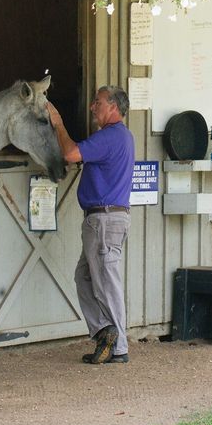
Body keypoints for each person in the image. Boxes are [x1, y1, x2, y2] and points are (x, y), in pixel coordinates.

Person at [47, 86, 135, 364]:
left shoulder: (109, 137)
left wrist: (58, 124)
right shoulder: (124, 137)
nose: (92, 107)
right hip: (106, 220)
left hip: (103, 221)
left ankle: (118, 347)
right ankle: (104, 331)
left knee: (108, 282)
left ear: (113, 107)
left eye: (97, 102)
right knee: (84, 278)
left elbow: (71, 154)